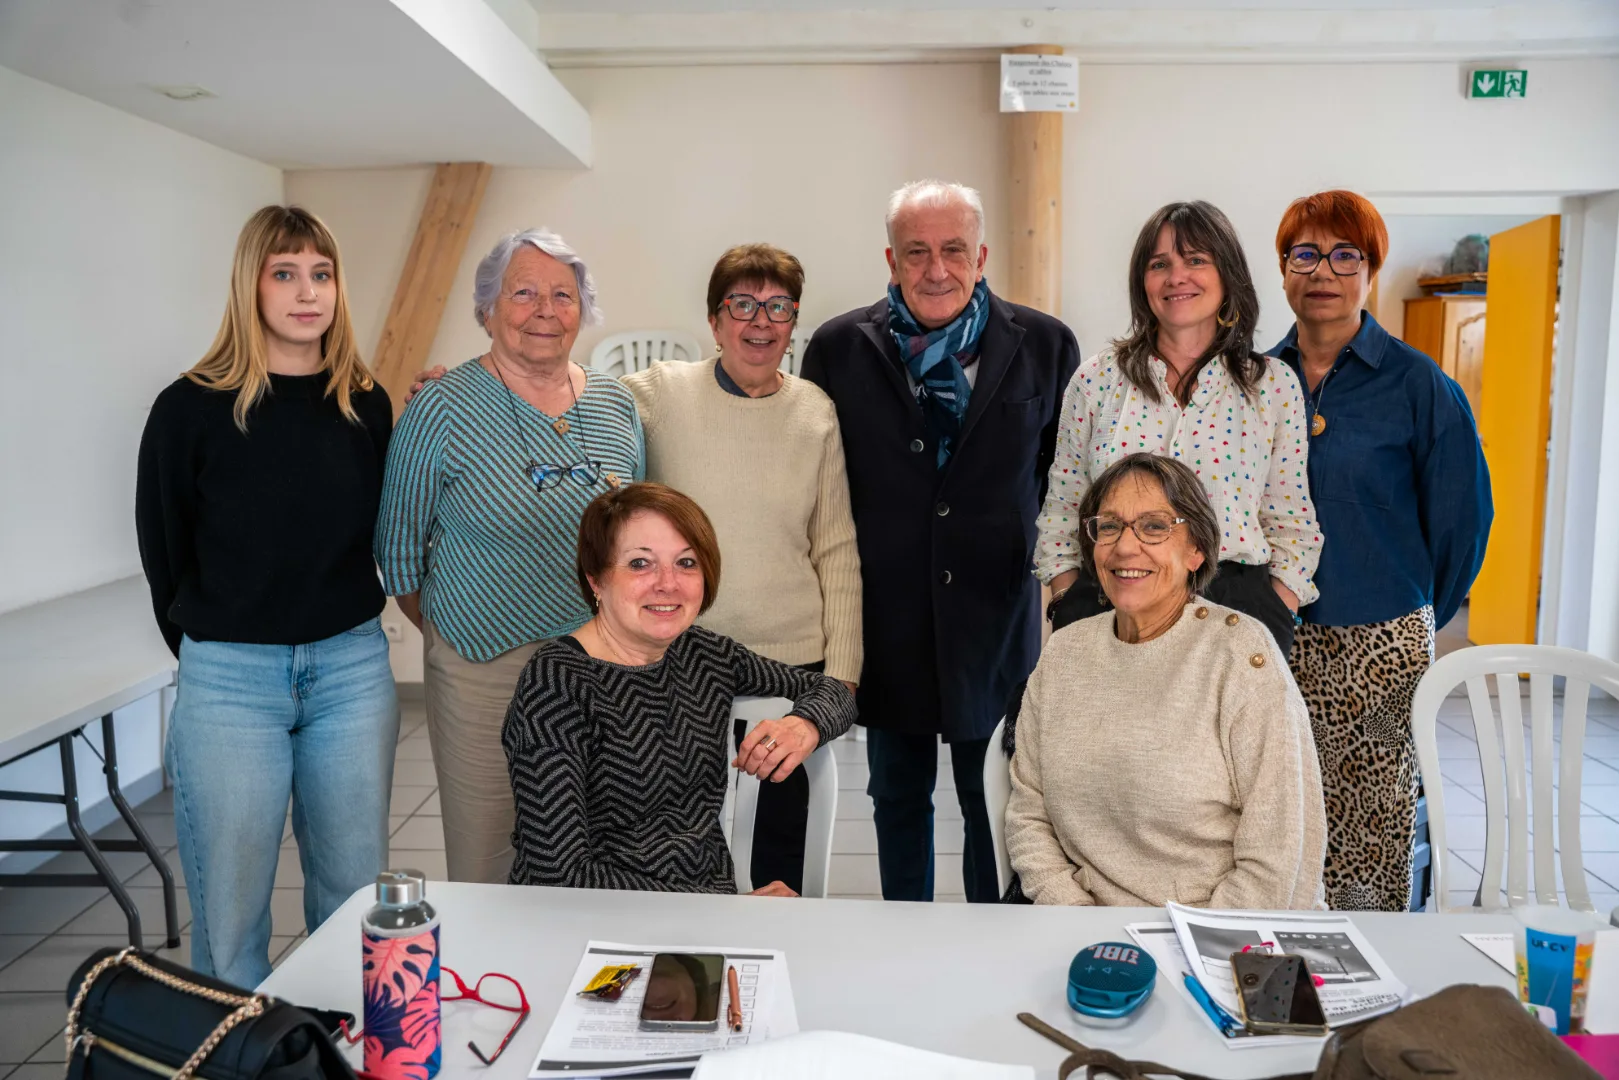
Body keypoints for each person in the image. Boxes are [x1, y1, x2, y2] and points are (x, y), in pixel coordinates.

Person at [135, 206, 397, 986]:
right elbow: (165, 550)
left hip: (350, 673)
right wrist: (218, 647)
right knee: (232, 909)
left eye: (321, 274)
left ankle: (345, 1054)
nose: (306, 292)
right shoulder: (187, 410)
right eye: (284, 273)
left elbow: (382, 530)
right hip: (230, 682)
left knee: (354, 900)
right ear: (251, 285)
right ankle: (238, 1059)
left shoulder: (364, 403)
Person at [801, 179, 1079, 903]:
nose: (935, 269)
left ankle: (988, 942)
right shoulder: (837, 348)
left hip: (995, 621)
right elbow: (822, 487)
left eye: (952, 250)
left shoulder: (1045, 344)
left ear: (980, 255)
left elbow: (1063, 482)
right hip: (887, 620)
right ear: (890, 260)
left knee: (994, 804)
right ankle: (904, 933)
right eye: (915, 252)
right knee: (895, 799)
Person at [375, 228, 644, 884]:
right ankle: (496, 984)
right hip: (480, 665)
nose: (544, 310)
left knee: (596, 845)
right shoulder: (438, 406)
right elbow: (398, 551)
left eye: (563, 294)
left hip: (599, 668)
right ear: (488, 308)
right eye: (522, 293)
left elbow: (639, 540)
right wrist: (453, 637)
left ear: (583, 309)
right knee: (488, 850)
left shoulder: (616, 405)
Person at [1268, 190, 1492, 911]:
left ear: (1368, 270)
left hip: (1378, 646)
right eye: (1304, 253)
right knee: (1274, 817)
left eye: (1344, 255)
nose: (1322, 271)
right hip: (1270, 639)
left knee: (1368, 828)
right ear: (1281, 270)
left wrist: (1406, 607)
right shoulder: (1255, 381)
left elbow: (1462, 526)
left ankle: (1366, 989)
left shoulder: (1418, 385)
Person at [621, 243, 862, 894]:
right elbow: (564, 405)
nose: (761, 320)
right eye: (743, 304)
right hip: (683, 664)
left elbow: (835, 548)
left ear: (793, 323)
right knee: (680, 856)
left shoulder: (814, 411)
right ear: (714, 318)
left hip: (790, 670)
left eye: (778, 306)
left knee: (779, 870)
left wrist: (839, 681)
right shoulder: (658, 395)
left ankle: (774, 979)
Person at [1006, 453, 1326, 909]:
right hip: (1083, 929)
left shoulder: (1241, 656)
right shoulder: (1063, 654)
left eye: (1154, 527)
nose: (1125, 547)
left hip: (1221, 938)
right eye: (1109, 526)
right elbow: (1028, 813)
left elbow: (1280, 853)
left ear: (1197, 549)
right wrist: (1072, 918)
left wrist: (1199, 947)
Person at [503, 483, 856, 894]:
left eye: (686, 562)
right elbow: (560, 874)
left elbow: (833, 692)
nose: (668, 583)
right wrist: (726, 908)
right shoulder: (555, 684)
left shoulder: (704, 654)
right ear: (596, 579)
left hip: (703, 919)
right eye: (639, 564)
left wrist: (803, 725)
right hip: (594, 922)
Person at [1035, 201, 1321, 655]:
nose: (1176, 277)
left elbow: (1291, 519)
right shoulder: (1096, 380)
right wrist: (1068, 599)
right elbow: (1062, 507)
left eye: (1196, 260)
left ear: (1227, 274)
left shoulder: (1272, 385)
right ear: (1142, 281)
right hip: (1112, 600)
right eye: (1159, 264)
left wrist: (1277, 606)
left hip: (1235, 607)